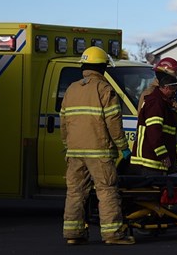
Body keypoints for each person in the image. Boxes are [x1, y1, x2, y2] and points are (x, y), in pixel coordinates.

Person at [60, 46, 135, 246]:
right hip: (99, 152)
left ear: (83, 66)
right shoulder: (104, 89)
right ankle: (113, 234)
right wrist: (123, 147)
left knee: (75, 192)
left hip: (75, 151)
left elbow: (64, 122)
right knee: (107, 190)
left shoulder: (72, 89)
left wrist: (68, 144)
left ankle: (73, 234)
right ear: (102, 68)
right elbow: (113, 122)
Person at [130, 57, 177, 175]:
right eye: (176, 76)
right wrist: (163, 154)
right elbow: (153, 129)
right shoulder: (152, 96)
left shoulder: (168, 95)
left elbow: (175, 123)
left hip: (165, 154)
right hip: (152, 157)